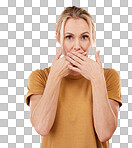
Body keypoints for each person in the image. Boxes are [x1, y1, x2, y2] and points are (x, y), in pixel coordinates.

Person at [25, 6, 122, 148]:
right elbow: (41, 127)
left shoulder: (108, 76)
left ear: (92, 39)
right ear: (59, 39)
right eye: (69, 37)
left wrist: (97, 79)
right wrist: (55, 76)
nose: (77, 46)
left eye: (84, 37)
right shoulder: (40, 77)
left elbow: (104, 133)